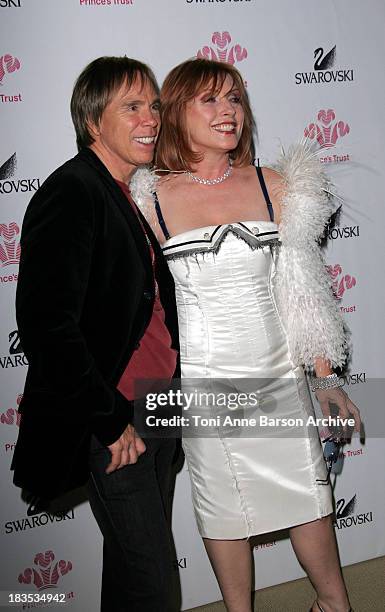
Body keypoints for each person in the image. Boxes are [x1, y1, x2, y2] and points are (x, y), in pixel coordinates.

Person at [131, 58, 361, 612]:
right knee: (223, 508)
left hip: (278, 370)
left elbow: (302, 289)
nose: (228, 111)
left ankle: (335, 604)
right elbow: (141, 303)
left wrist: (325, 378)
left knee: (308, 496)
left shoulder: (274, 182)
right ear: (178, 112)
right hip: (207, 383)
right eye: (209, 100)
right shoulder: (149, 196)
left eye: (234, 99)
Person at [11, 56, 179, 612]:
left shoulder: (129, 193)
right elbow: (47, 326)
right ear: (92, 122)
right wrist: (108, 422)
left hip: (157, 405)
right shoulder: (73, 192)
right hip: (115, 415)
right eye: (131, 107)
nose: (150, 118)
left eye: (153, 105)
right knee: (155, 584)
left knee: (132, 573)